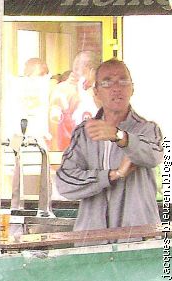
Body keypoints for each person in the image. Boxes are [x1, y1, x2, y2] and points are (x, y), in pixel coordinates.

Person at [56, 59, 163, 233]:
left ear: (132, 89)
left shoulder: (148, 129)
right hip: (91, 241)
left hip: (137, 239)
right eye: (107, 82)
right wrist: (112, 175)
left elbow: (154, 155)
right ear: (96, 92)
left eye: (123, 81)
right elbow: (64, 181)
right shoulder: (84, 132)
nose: (116, 88)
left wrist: (120, 136)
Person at [49, 51, 100, 151]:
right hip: (68, 151)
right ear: (91, 71)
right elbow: (54, 128)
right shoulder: (62, 92)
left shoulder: (92, 92)